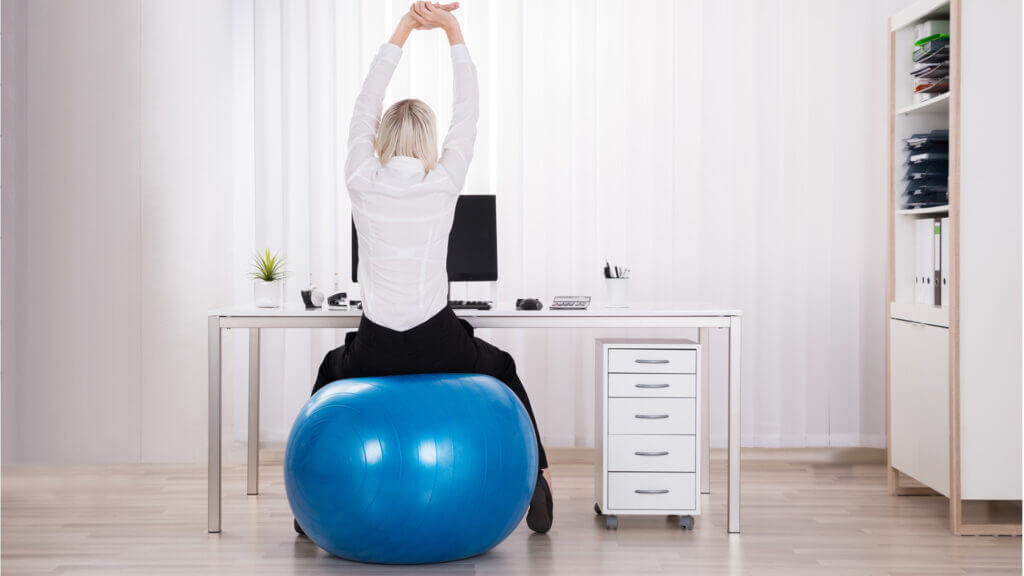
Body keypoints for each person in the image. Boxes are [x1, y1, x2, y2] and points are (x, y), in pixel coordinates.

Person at [302, 2, 553, 535]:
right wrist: (452, 31)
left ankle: (308, 510)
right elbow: (469, 112)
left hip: (375, 348)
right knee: (503, 366)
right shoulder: (443, 184)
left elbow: (363, 105)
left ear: (381, 140)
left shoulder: (360, 178)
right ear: (428, 144)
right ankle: (538, 486)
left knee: (328, 370)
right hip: (438, 342)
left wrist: (403, 29)